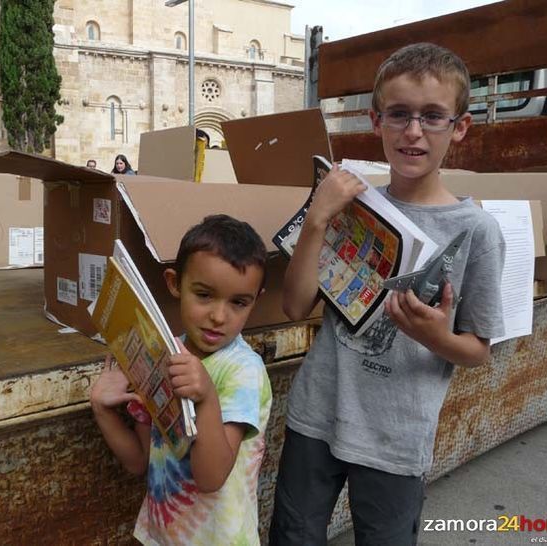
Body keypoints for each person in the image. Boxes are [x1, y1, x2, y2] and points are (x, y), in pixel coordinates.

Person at [269, 42, 506, 546]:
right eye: (398, 114)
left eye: (433, 117)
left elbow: (478, 351)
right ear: (376, 121)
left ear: (459, 127)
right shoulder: (351, 203)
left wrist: (437, 336)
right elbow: (294, 306)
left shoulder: (477, 231)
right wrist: (318, 216)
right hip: (317, 415)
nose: (413, 131)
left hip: (396, 439)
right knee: (292, 536)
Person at [90, 214, 272, 546]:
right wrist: (102, 410)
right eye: (204, 295)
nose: (219, 316)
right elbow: (140, 460)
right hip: (161, 536)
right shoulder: (162, 352)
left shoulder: (242, 371)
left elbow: (210, 477)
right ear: (175, 283)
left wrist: (206, 397)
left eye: (238, 303)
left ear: (255, 301)